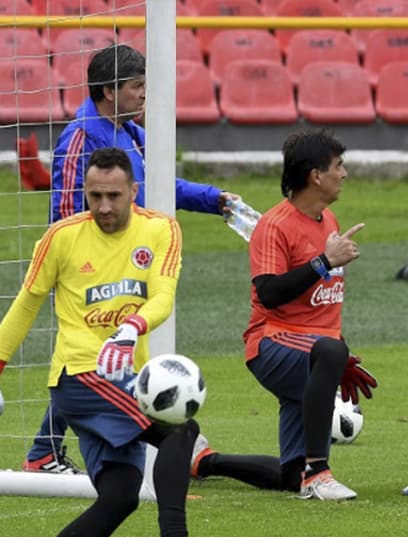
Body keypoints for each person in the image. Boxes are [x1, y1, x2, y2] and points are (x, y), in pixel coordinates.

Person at [0, 148, 245, 537]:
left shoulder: (160, 230)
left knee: (120, 498)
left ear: (134, 191)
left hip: (125, 377)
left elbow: (162, 297)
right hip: (79, 374)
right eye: (95, 196)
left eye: (114, 195)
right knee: (180, 430)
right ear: (84, 193)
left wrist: (132, 327)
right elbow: (24, 307)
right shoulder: (62, 238)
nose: (105, 206)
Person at [23, 43, 245, 474]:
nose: (145, 94)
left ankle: (52, 451)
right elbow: (62, 216)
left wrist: (212, 199)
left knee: (109, 359)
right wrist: (76, 270)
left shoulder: (130, 133)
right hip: (84, 276)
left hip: (128, 268)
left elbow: (162, 184)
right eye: (137, 86)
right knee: (87, 364)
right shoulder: (80, 139)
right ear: (109, 90)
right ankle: (52, 452)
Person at [243, 129, 378, 501]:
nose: (345, 173)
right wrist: (323, 262)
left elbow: (322, 312)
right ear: (315, 176)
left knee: (290, 474)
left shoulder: (328, 220)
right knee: (331, 350)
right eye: (338, 166)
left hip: (309, 346)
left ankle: (203, 461)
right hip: (270, 343)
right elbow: (269, 294)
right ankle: (319, 474)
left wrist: (339, 355)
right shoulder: (274, 225)